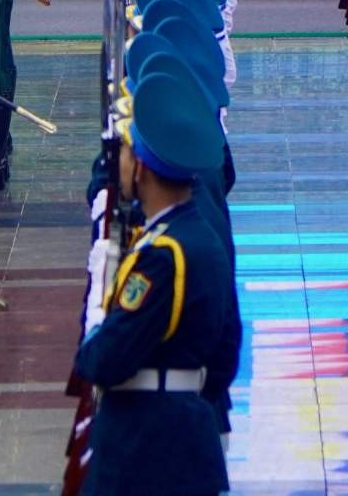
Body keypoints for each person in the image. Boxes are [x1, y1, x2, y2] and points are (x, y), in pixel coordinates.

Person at [71, 70, 233, 496]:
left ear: (140, 167)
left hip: (146, 448)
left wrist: (93, 331)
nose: (118, 163)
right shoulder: (197, 237)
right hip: (184, 432)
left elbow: (102, 361)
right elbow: (225, 353)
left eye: (124, 151)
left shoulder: (162, 257)